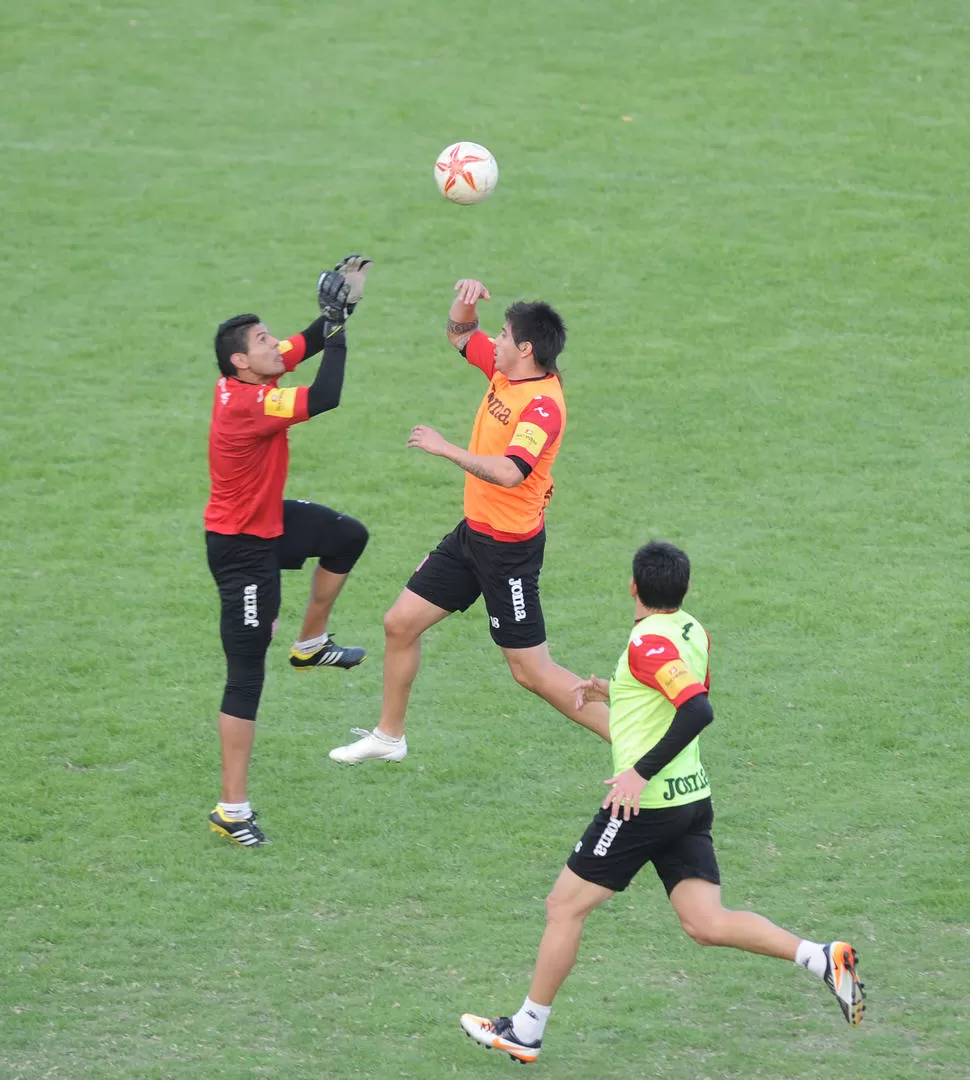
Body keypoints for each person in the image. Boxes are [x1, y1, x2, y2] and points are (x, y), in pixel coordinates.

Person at [459, 541, 866, 1063]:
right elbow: (674, 690)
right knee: (706, 923)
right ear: (685, 588)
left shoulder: (647, 643)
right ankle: (820, 957)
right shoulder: (692, 629)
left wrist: (636, 773)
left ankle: (526, 1029)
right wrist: (617, 691)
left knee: (563, 907)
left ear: (633, 586)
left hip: (643, 805)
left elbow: (696, 709)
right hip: (691, 797)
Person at [328, 278, 609, 765]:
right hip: (472, 535)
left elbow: (509, 471)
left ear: (524, 348)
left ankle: (639, 743)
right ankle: (389, 737)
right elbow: (460, 333)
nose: (493, 341)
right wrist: (465, 298)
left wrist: (445, 448)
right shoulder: (507, 373)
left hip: (509, 552)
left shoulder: (542, 406)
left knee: (530, 671)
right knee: (399, 624)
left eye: (502, 335)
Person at [205, 256, 373, 846]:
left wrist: (338, 312)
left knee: (346, 536)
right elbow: (325, 395)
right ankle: (232, 809)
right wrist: (340, 335)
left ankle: (312, 643)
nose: (276, 345)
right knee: (246, 673)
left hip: (266, 522)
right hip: (243, 550)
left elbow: (303, 341)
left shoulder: (255, 374)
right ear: (240, 362)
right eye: (261, 341)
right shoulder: (250, 404)